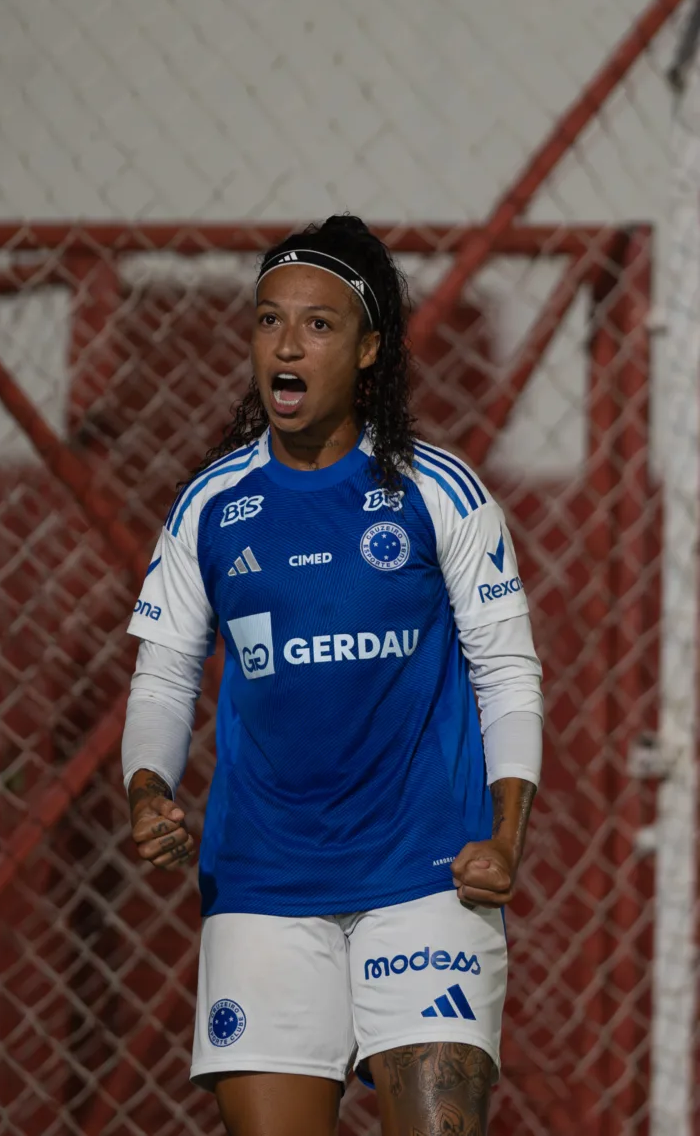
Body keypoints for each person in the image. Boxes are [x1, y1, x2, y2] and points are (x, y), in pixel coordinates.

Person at [122, 214, 543, 1136]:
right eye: (270, 320)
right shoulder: (210, 508)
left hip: (427, 880)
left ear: (368, 349)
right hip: (264, 889)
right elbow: (161, 679)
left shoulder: (440, 492)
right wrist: (146, 788)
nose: (287, 342)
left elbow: (507, 671)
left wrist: (507, 835)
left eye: (318, 324)